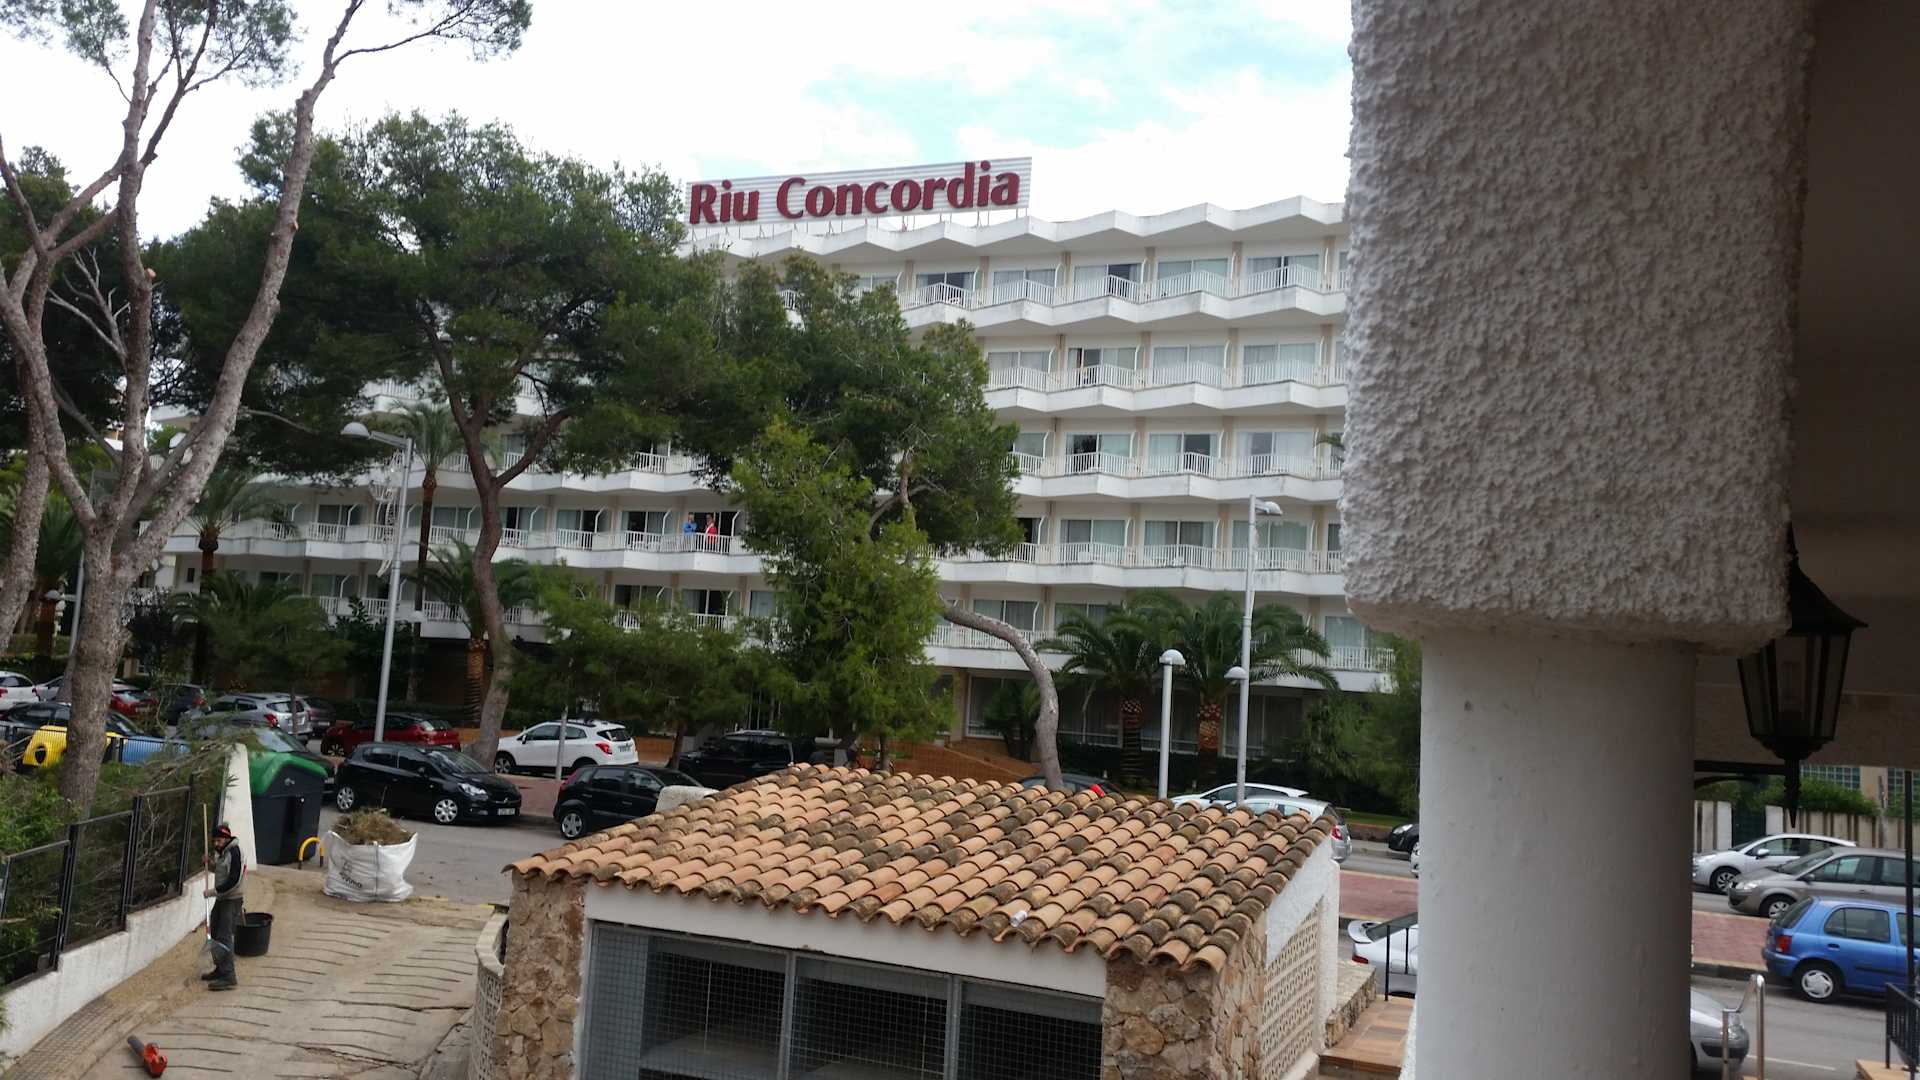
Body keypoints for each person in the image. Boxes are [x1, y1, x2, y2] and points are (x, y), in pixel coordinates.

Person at [202, 823, 244, 991]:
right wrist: (210, 864)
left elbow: (234, 880)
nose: (216, 844)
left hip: (231, 899)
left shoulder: (235, 852)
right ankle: (220, 969)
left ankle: (229, 976)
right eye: (215, 841)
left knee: (224, 936)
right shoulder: (224, 852)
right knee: (214, 932)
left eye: (218, 840)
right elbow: (222, 872)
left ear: (226, 838)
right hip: (222, 899)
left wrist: (212, 892)